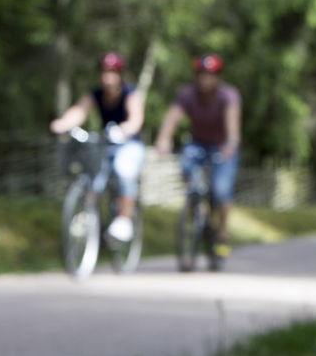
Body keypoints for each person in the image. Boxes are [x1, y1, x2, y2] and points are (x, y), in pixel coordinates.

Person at [50, 52, 145, 241]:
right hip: (105, 143)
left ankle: (124, 220)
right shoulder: (96, 93)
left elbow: (136, 120)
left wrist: (122, 130)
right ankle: (86, 215)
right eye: (104, 72)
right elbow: (79, 111)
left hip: (129, 144)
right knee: (93, 176)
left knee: (123, 170)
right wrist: (62, 123)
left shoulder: (129, 93)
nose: (107, 77)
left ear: (120, 74)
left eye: (111, 72)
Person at [155, 53, 241, 258]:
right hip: (198, 144)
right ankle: (196, 216)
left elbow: (232, 123)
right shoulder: (187, 94)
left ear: (218, 77)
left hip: (223, 146)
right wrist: (163, 139)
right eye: (201, 74)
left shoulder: (228, 95)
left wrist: (230, 143)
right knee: (188, 171)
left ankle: (222, 232)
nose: (205, 79)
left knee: (220, 191)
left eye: (210, 75)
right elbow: (172, 117)